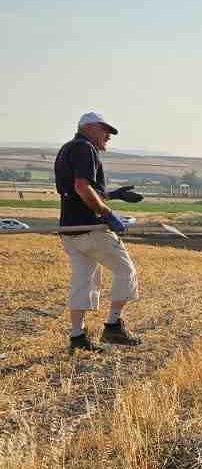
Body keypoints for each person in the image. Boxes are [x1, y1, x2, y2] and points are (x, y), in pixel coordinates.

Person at [54, 113, 142, 351]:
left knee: (84, 280)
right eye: (106, 131)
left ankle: (77, 337)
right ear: (90, 128)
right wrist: (106, 213)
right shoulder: (86, 148)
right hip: (91, 227)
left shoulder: (66, 149)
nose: (108, 137)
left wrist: (114, 195)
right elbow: (82, 188)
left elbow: (81, 191)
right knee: (126, 271)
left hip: (69, 230)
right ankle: (113, 326)